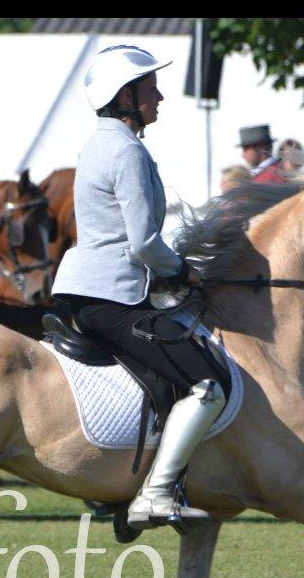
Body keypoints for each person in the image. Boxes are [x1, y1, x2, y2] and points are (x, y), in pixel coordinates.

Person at [52, 44, 226, 530]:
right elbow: (144, 244)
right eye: (150, 88)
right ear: (124, 94)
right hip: (114, 295)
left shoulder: (99, 144)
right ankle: (156, 493)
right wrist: (183, 271)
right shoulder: (127, 150)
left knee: (166, 376)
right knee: (208, 386)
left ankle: (125, 487)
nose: (160, 96)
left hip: (88, 290)